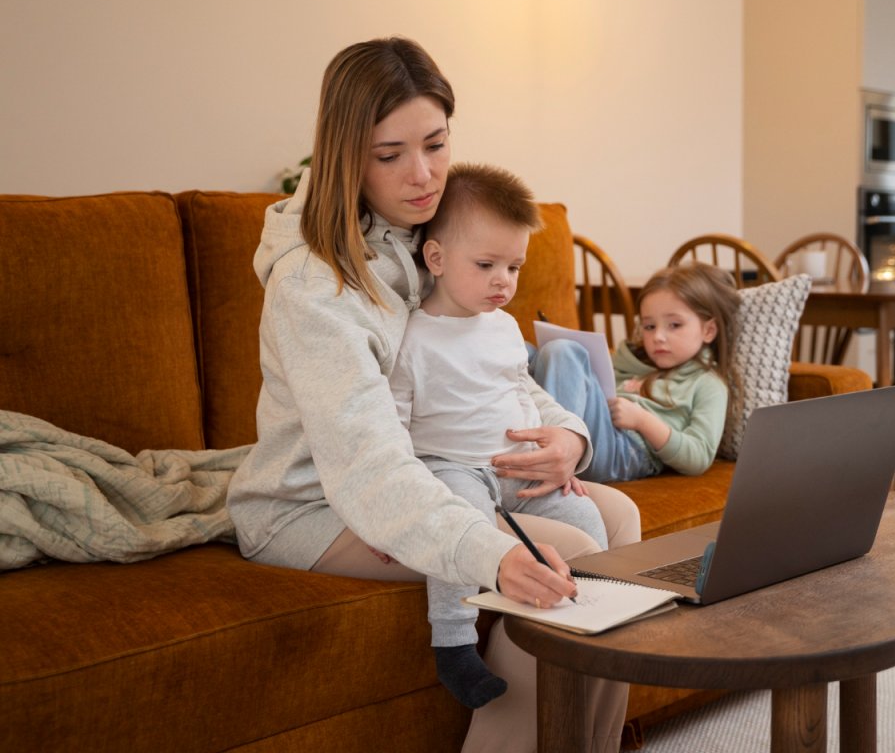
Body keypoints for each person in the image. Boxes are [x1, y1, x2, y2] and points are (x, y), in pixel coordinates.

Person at [226, 37, 639, 753]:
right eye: (389, 155)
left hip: (437, 466)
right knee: (570, 560)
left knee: (623, 520)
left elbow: (496, 367)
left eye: (436, 144)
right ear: (345, 154)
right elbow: (366, 463)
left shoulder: (430, 239)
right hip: (315, 501)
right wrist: (477, 546)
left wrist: (573, 437)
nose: (422, 176)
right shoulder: (313, 288)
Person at [391, 161, 608, 709]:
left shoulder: (505, 327)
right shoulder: (413, 336)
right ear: (435, 258)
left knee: (584, 516)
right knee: (456, 525)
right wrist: (390, 504)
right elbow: (390, 421)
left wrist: (562, 445)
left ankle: (600, 611)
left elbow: (521, 389)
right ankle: (455, 645)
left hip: (516, 468)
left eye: (513, 266)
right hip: (450, 468)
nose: (503, 282)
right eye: (486, 264)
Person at [533, 263, 741, 482]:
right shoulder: (630, 362)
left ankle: (554, 456)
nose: (658, 336)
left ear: (708, 330)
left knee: (563, 351)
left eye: (674, 325)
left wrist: (642, 421)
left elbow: (699, 456)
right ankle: (547, 449)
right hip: (595, 436)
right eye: (649, 327)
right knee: (528, 352)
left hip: (629, 451)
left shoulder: (708, 383)